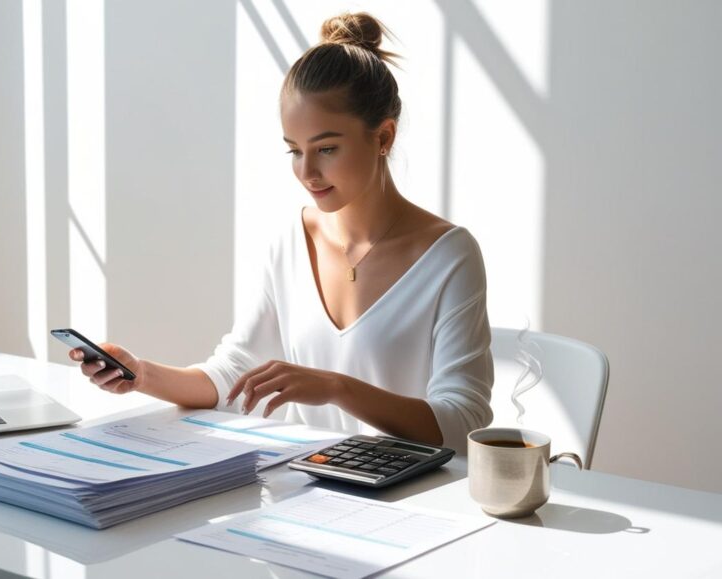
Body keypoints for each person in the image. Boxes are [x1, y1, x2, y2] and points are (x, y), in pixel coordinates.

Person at [68, 12, 493, 454]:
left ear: (383, 136)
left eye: (327, 148)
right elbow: (235, 373)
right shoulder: (291, 242)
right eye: (294, 150)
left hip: (411, 500)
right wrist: (141, 374)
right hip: (308, 487)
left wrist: (336, 387)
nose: (307, 172)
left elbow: (464, 424)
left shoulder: (449, 256)